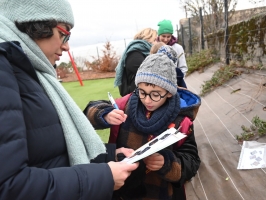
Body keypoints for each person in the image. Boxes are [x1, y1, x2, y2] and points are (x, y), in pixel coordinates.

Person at [0, 0, 138, 199]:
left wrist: (108, 157)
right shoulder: (6, 69)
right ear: (35, 24)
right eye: (63, 33)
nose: (67, 46)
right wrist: (103, 177)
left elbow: (47, 153)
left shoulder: (32, 71)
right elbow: (9, 186)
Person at [84, 53, 201, 200]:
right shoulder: (124, 105)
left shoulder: (182, 120)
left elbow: (192, 160)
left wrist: (167, 163)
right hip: (122, 189)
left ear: (169, 93)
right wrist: (105, 114)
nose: (147, 100)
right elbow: (89, 112)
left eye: (156, 94)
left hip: (160, 192)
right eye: (142, 92)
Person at [114, 28, 157, 97]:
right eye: (154, 40)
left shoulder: (141, 51)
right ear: (147, 38)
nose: (156, 43)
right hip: (134, 96)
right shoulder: (134, 54)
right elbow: (149, 71)